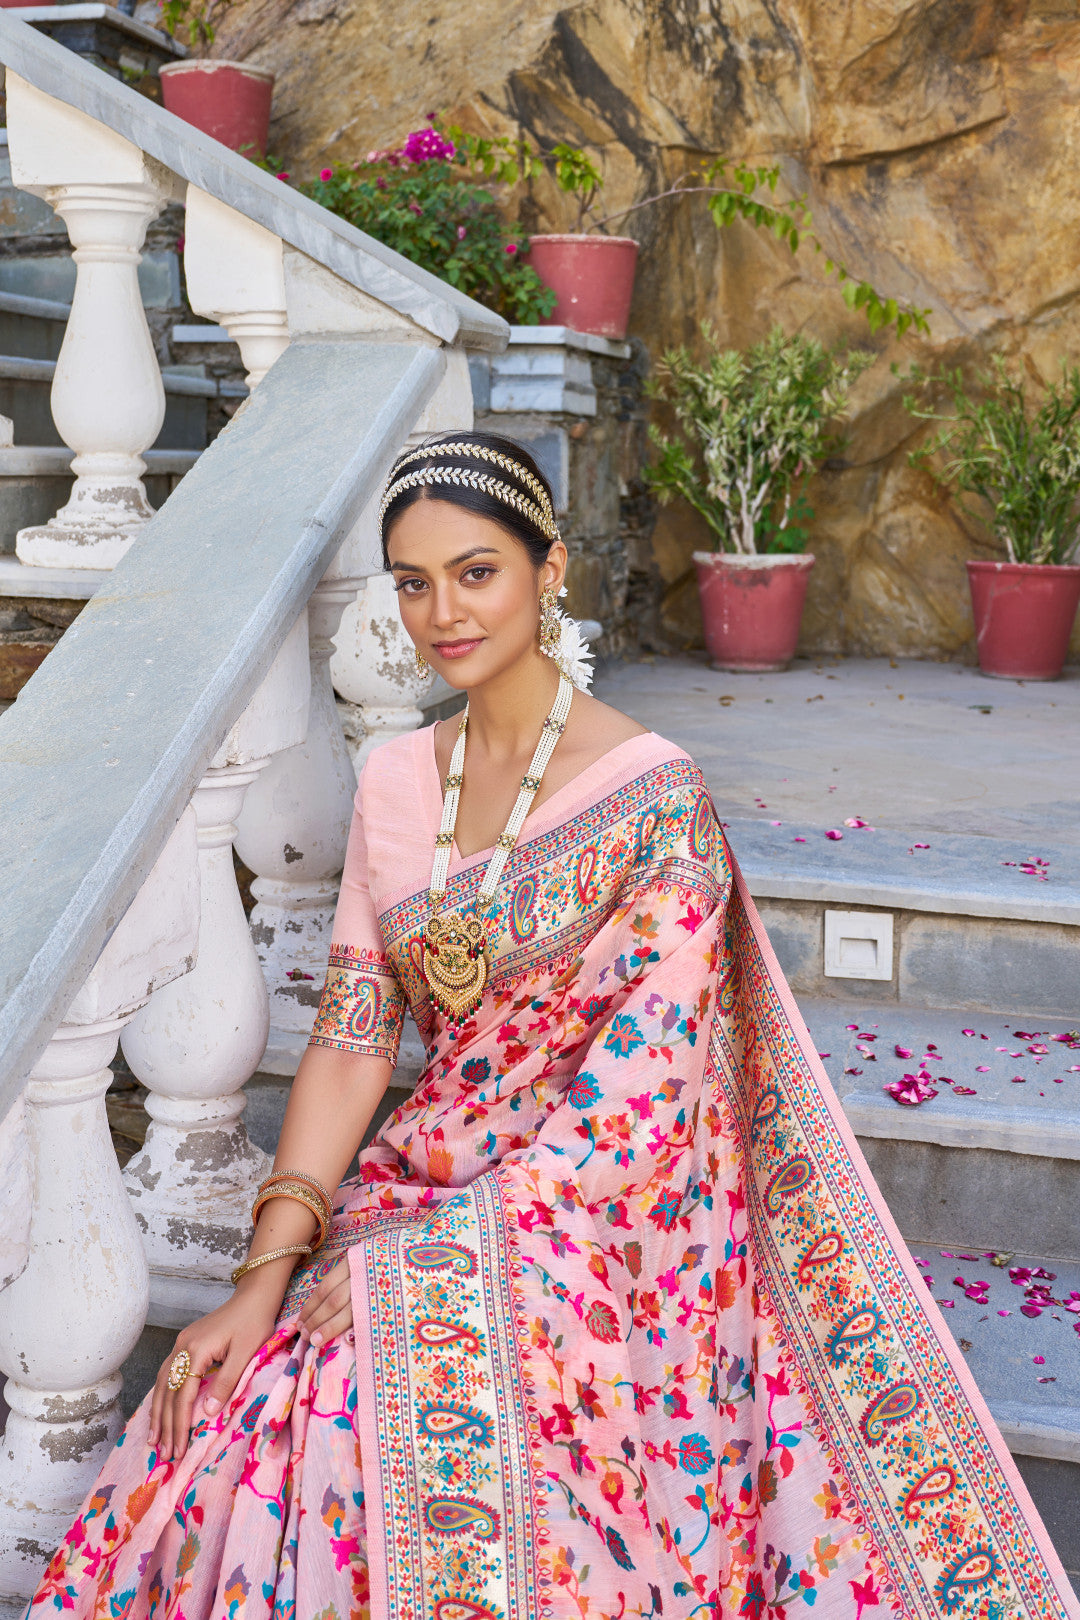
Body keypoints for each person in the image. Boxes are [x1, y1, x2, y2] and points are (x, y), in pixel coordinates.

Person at [26, 432, 1076, 1620]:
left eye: (476, 572)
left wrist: (447, 1255)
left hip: (602, 1217)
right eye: (412, 583)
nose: (442, 614)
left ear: (551, 570)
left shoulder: (652, 793)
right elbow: (357, 1039)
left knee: (380, 1400)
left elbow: (645, 1097)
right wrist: (266, 1273)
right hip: (424, 1177)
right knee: (257, 1408)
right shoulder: (393, 783)